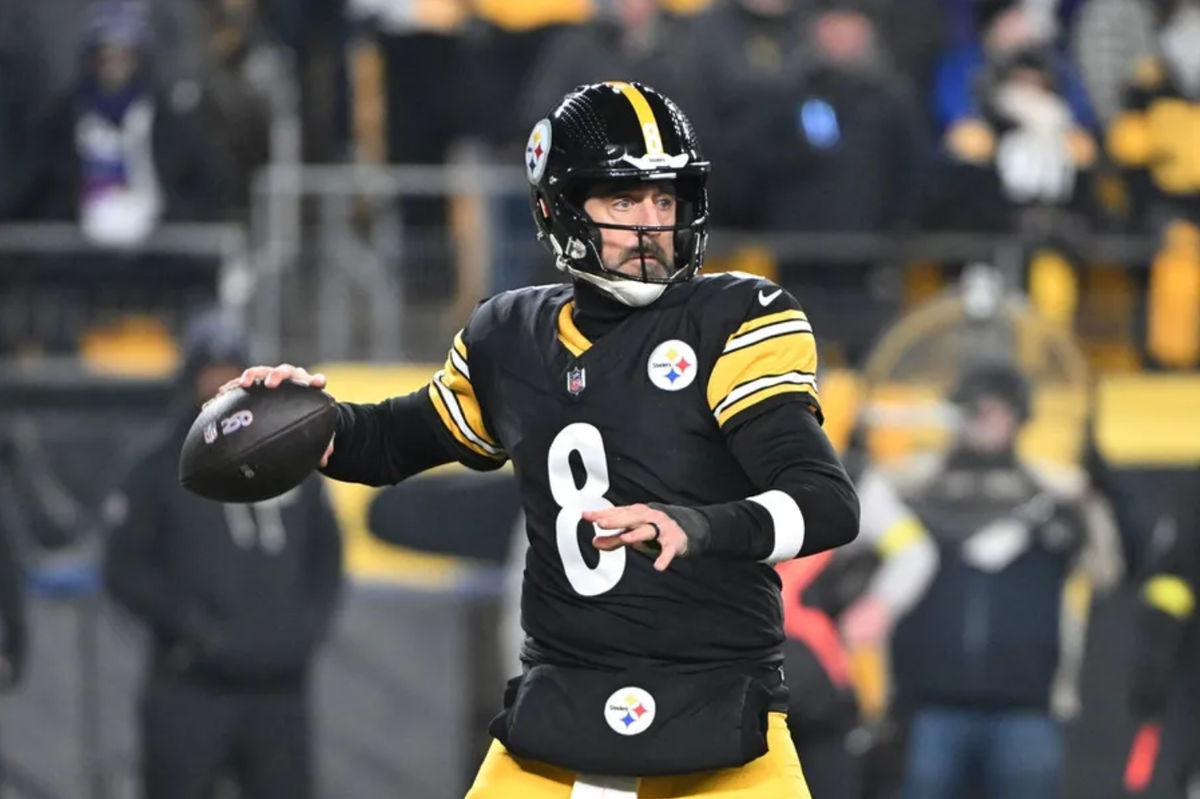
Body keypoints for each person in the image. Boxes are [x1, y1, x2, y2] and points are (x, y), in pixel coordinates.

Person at [231, 81, 859, 797]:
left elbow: (825, 501)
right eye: (623, 200)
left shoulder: (738, 318)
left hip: (720, 712)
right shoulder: (511, 335)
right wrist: (313, 421)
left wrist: (696, 524)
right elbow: (393, 442)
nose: (651, 224)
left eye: (665, 198)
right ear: (558, 208)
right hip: (559, 714)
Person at [103, 310, 343, 799]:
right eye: (207, 371)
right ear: (188, 376)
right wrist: (189, 627)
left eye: (228, 370)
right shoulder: (156, 470)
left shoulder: (287, 456)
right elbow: (123, 567)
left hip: (278, 684)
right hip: (191, 687)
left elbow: (326, 552)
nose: (216, 383)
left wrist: (304, 627)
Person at [889, 360, 1121, 799]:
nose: (987, 419)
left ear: (1020, 417)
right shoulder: (915, 488)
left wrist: (1102, 493)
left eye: (999, 409)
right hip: (930, 707)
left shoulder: (1058, 492)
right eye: (976, 409)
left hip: (1027, 710)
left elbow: (1109, 569)